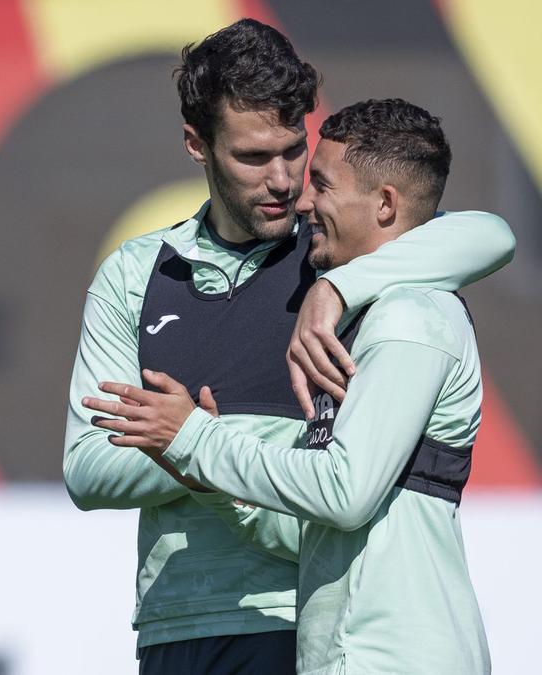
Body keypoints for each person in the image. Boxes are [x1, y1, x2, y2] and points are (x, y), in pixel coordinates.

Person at [62, 19, 515, 674]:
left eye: (295, 150)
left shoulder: (343, 249)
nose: (282, 180)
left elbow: (491, 234)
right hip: (178, 616)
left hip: (309, 615)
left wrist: (338, 289)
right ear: (197, 144)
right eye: (253, 156)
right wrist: (208, 439)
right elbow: (87, 466)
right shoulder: (136, 273)